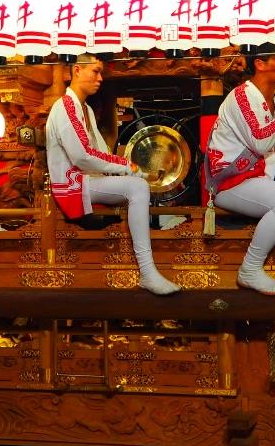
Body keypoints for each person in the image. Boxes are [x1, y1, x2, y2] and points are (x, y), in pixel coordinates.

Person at [46, 55, 179, 295]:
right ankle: (147, 272)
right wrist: (126, 166)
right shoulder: (65, 106)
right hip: (71, 184)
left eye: (101, 73)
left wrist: (127, 168)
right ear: (77, 70)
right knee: (137, 187)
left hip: (86, 179)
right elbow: (82, 156)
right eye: (95, 71)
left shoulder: (83, 107)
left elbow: (97, 151)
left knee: (137, 183)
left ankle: (145, 258)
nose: (100, 78)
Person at [205, 44, 275, 294]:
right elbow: (261, 142)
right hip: (232, 181)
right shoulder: (242, 96)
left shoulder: (273, 102)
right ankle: (250, 268)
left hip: (260, 176)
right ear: (259, 64)